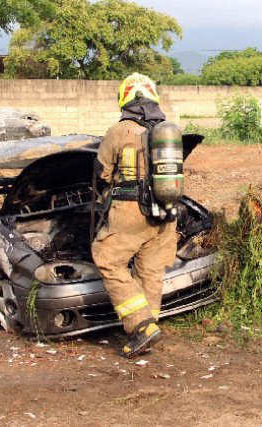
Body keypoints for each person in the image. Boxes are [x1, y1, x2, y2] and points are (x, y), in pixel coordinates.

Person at [91, 72, 178, 358]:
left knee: (106, 257)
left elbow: (101, 171)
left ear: (124, 99)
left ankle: (141, 325)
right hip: (166, 211)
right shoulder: (167, 130)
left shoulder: (120, 131)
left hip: (131, 210)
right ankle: (148, 323)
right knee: (150, 269)